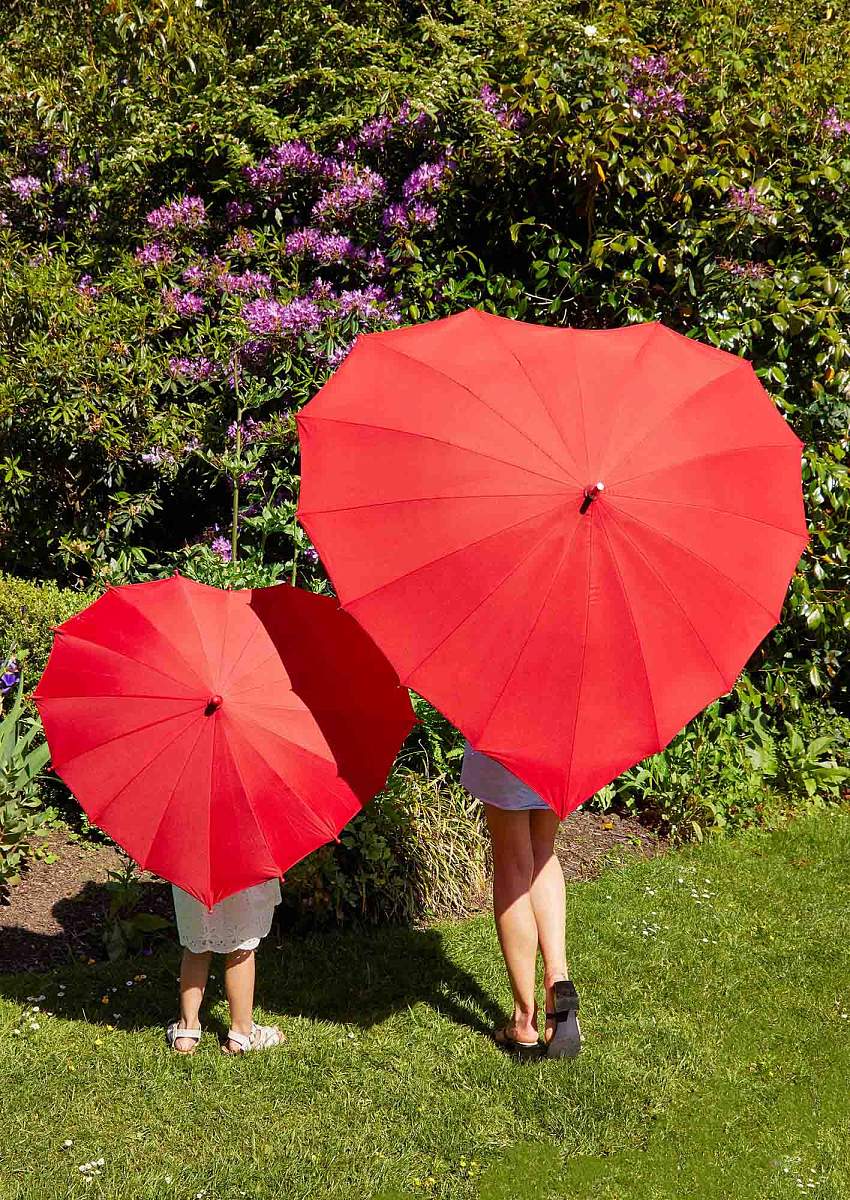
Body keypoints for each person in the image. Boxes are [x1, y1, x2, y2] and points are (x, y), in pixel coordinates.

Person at [461, 740, 581, 1060]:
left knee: (512, 863)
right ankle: (558, 977)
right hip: (557, 741)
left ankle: (524, 1020)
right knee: (543, 850)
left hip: (505, 739)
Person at [166, 878, 284, 1054]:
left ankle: (186, 1030)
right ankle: (241, 1032)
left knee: (197, 943)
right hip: (243, 872)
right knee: (242, 946)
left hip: (196, 875)